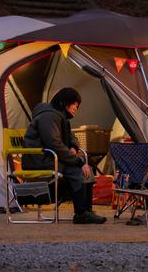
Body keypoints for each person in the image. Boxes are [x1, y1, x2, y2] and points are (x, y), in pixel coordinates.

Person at [22, 87, 106, 224]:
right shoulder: (48, 116)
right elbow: (53, 143)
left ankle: (87, 210)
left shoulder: (60, 117)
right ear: (65, 102)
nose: (76, 108)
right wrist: (78, 162)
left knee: (88, 167)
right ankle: (80, 213)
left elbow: (72, 136)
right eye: (75, 104)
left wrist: (73, 147)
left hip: (50, 157)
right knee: (76, 168)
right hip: (39, 159)